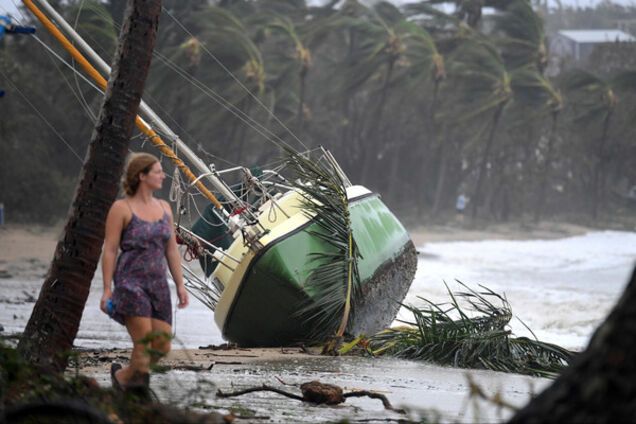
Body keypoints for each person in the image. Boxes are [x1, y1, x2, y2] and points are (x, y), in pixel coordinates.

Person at [100, 153, 189, 393]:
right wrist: (107, 289)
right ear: (142, 176)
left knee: (161, 345)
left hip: (158, 284)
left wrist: (180, 285)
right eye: (158, 171)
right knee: (144, 342)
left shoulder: (164, 208)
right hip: (130, 282)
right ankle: (139, 396)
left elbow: (171, 250)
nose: (163, 175)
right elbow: (109, 250)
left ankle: (123, 376)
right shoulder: (121, 208)